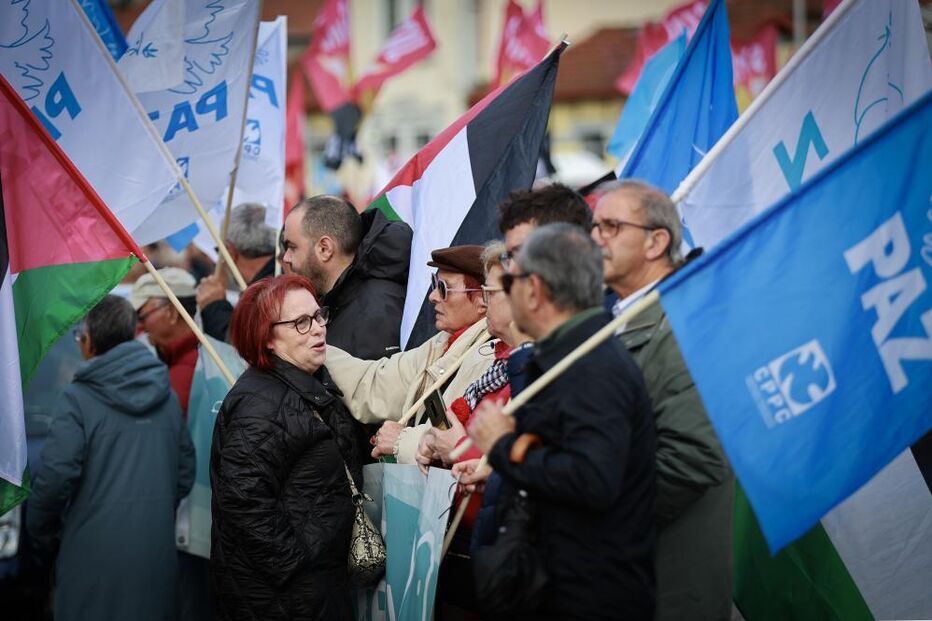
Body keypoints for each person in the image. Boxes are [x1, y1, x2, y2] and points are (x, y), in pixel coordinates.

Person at [468, 224, 656, 620]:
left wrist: (505, 447)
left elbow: (591, 478)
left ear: (534, 289)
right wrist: (505, 470)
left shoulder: (592, 365)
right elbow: (560, 456)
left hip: (586, 595)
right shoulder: (565, 356)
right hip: (558, 584)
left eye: (509, 281)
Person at [592, 179, 734, 621]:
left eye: (612, 226)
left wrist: (592, 521)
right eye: (594, 226)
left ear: (657, 241)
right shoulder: (615, 317)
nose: (596, 238)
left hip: (661, 583)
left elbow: (693, 456)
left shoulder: (683, 321)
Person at [28, 295, 195, 621]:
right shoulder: (166, 392)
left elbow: (55, 478)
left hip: (90, 560)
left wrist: (44, 533)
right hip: (155, 559)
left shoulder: (78, 398)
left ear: (89, 342)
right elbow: (185, 471)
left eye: (80, 336)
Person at [210, 275, 362, 621]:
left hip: (314, 589)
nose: (318, 329)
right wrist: (295, 567)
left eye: (318, 315)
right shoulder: (259, 405)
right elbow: (243, 501)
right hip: (283, 600)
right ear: (267, 339)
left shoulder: (308, 383)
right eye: (300, 323)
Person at [325, 245, 494, 465]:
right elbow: (375, 384)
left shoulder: (492, 353)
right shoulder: (442, 342)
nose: (432, 296)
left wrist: (401, 441)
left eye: (443, 288)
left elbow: (470, 442)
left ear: (483, 299)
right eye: (434, 284)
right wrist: (314, 346)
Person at [282, 194, 412, 359]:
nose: (286, 258)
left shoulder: (375, 312)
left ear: (325, 249)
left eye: (292, 247)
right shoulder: (337, 301)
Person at [195, 203, 278, 341]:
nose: (220, 260)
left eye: (220, 251)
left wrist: (214, 306)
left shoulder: (265, 293)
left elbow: (243, 347)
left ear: (230, 251)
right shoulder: (290, 272)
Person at [130, 267, 200, 417]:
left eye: (141, 316)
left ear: (171, 313)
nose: (139, 326)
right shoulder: (185, 361)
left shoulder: (190, 372)